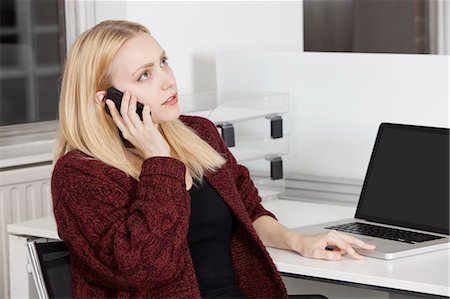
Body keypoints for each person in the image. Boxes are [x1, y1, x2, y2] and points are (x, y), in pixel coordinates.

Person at [51, 20, 375, 299]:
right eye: (144, 75)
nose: (168, 80)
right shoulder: (81, 173)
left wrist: (300, 241)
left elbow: (247, 210)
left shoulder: (198, 133)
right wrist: (159, 163)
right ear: (106, 100)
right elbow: (141, 268)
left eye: (163, 61)